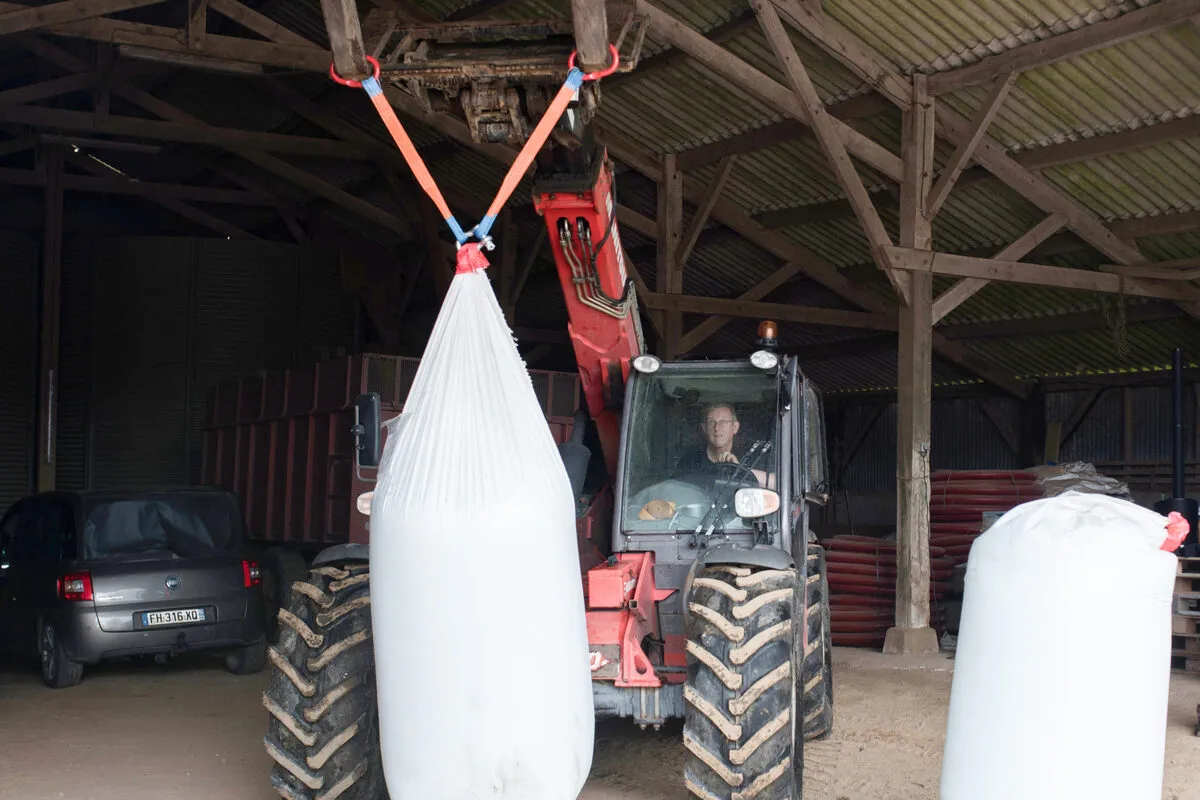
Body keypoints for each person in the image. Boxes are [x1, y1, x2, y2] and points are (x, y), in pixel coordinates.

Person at [675, 403, 773, 489]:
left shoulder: (755, 454)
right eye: (711, 422)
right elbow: (674, 490)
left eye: (723, 422)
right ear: (704, 428)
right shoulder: (689, 461)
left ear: (735, 427)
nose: (717, 428)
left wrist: (740, 470)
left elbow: (777, 484)